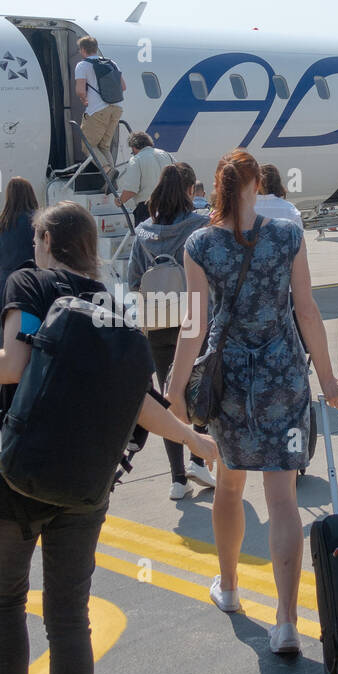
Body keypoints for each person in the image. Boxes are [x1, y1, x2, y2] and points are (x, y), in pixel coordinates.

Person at [0, 201, 217, 674]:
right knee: (69, 618)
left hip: (16, 473)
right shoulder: (111, 302)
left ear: (47, 240)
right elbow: (139, 402)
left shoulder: (25, 283)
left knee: (5, 600)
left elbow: (11, 364)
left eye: (36, 238)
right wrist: (191, 438)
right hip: (84, 485)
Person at [166, 149, 338, 655]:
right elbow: (307, 310)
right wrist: (330, 379)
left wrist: (176, 390)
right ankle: (287, 621)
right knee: (283, 500)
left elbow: (194, 325)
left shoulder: (201, 245)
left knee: (229, 488)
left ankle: (229, 588)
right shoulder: (288, 236)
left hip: (228, 383)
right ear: (256, 185)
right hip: (283, 374)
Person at [127, 165, 215, 500]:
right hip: (193, 320)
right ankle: (199, 458)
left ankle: (178, 480)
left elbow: (135, 281)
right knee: (201, 389)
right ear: (190, 191)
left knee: (168, 397)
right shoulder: (201, 226)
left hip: (158, 322)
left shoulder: (144, 232)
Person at [0, 177, 38, 336]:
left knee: (7, 338)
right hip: (31, 287)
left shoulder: (2, 222)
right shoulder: (37, 221)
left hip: (6, 288)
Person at [74, 36, 126, 178]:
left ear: (83, 50)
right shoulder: (112, 63)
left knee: (88, 146)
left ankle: (108, 170)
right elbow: (123, 87)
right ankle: (111, 179)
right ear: (96, 48)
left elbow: (80, 90)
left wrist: (84, 99)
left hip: (97, 110)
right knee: (104, 146)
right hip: (117, 108)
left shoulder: (83, 65)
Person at [116, 131, 173, 226]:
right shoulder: (165, 154)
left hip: (148, 209)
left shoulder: (136, 159)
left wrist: (120, 200)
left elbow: (131, 189)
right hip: (169, 206)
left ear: (134, 148)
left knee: (146, 238)